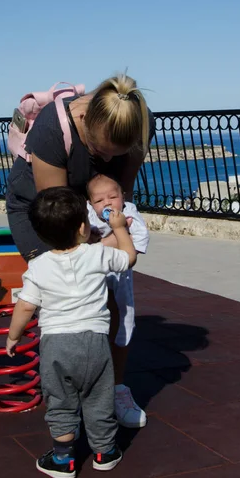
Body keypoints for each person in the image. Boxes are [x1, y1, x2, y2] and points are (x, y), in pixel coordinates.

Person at [6, 73, 155, 428]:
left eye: (113, 154)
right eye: (100, 150)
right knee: (65, 293)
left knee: (114, 298)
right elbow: (57, 216)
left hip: (93, 212)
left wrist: (116, 236)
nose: (105, 159)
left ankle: (114, 387)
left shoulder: (136, 128)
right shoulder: (51, 130)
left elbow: (123, 195)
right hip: (45, 210)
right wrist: (97, 251)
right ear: (87, 120)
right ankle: (64, 388)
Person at [5, 187, 137, 478]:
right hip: (94, 342)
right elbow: (128, 258)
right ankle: (104, 453)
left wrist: (13, 336)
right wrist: (118, 228)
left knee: (60, 400)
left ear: (41, 235)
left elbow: (26, 306)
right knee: (98, 397)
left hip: (55, 346)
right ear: (82, 227)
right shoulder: (97, 254)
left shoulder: (37, 267)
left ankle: (64, 460)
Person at [87, 173, 149, 427]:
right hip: (94, 278)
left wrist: (107, 238)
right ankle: (92, 389)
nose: (108, 203)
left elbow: (139, 242)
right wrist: (117, 237)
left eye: (113, 196)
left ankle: (118, 387)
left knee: (123, 319)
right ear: (91, 204)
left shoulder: (130, 212)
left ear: (123, 197)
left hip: (120, 275)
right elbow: (82, 246)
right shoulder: (87, 215)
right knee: (93, 324)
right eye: (100, 200)